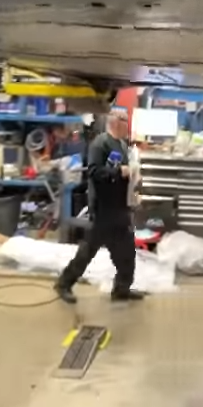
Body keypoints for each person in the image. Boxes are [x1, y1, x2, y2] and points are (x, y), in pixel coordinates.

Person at [54, 110, 145, 304]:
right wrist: (118, 171)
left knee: (127, 252)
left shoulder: (121, 145)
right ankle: (64, 283)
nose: (127, 125)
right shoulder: (100, 144)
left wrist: (133, 186)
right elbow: (94, 172)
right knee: (88, 251)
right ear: (116, 122)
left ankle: (121, 289)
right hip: (104, 209)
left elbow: (126, 176)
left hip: (120, 208)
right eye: (125, 121)